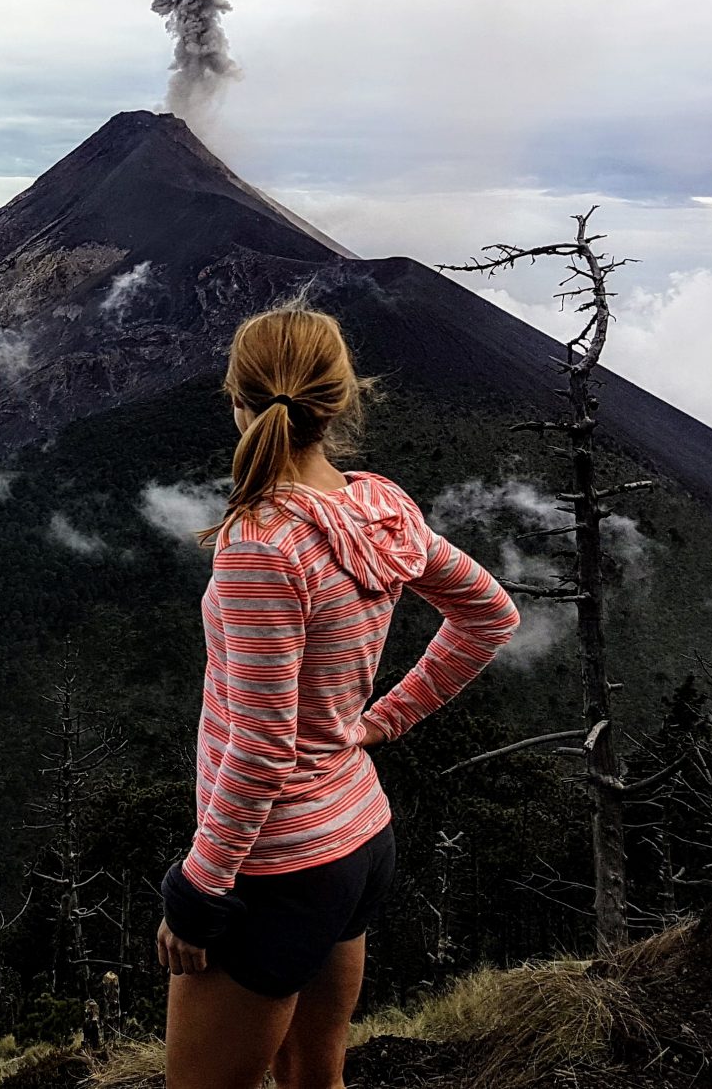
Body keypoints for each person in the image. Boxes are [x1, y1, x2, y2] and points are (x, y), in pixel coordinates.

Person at [157, 297, 521, 1089]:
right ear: (341, 400)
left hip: (276, 866)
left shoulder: (262, 544)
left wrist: (199, 887)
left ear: (237, 400)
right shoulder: (381, 510)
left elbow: (260, 745)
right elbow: (490, 614)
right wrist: (383, 724)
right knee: (317, 1078)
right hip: (358, 838)